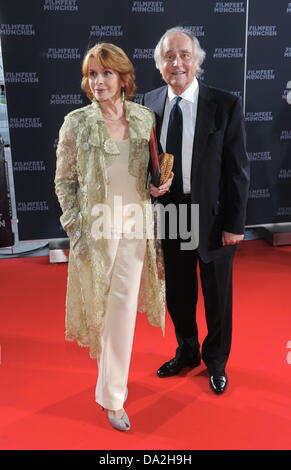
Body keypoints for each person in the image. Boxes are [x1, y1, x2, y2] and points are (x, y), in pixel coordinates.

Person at [55, 43, 172, 431]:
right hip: (96, 230)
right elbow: (64, 180)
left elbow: (151, 173)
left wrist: (159, 188)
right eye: (92, 74)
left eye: (106, 73)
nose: (98, 81)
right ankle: (110, 388)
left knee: (121, 315)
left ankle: (113, 397)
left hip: (136, 227)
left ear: (123, 78)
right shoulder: (76, 122)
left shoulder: (143, 118)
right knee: (101, 313)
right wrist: (74, 225)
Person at [143, 27, 250, 394]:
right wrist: (149, 185)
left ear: (197, 61)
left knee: (218, 297)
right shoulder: (149, 103)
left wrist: (235, 224)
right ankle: (187, 351)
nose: (177, 63)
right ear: (159, 65)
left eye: (184, 55)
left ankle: (216, 361)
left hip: (215, 217)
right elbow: (144, 163)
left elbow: (238, 170)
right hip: (171, 214)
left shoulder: (225, 104)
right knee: (179, 293)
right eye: (169, 56)